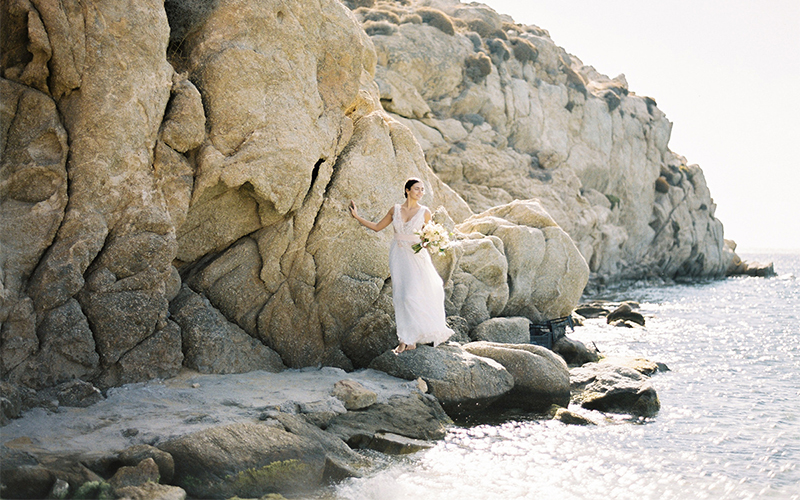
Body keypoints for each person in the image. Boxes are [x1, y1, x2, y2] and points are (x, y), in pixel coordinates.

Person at [349, 178, 454, 353]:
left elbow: (426, 240)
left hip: (416, 256)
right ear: (407, 190)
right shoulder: (395, 210)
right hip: (398, 255)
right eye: (416, 189)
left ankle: (412, 338)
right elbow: (376, 227)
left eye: (422, 190)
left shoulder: (425, 212)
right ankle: (404, 339)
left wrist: (433, 241)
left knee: (410, 296)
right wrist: (357, 216)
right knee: (400, 296)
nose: (420, 192)